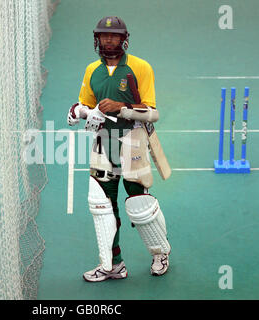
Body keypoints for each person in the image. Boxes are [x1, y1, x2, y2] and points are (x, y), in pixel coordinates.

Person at [67, 16, 171, 282]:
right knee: (103, 206)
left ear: (124, 39)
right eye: (104, 36)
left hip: (133, 141)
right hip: (103, 143)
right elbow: (86, 104)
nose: (108, 40)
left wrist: (121, 108)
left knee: (140, 205)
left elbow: (152, 112)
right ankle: (113, 264)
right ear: (97, 39)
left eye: (113, 36)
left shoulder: (139, 67)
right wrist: (79, 111)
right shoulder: (92, 70)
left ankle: (160, 253)